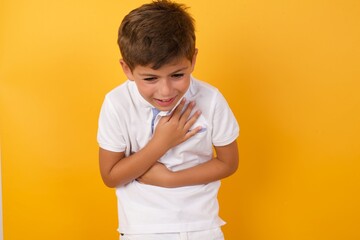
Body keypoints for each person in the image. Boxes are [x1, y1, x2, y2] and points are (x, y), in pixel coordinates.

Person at [97, 0, 239, 239]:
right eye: (150, 79)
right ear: (127, 69)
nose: (165, 91)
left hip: (202, 227)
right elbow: (110, 176)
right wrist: (160, 143)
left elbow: (228, 163)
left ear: (192, 60)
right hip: (141, 230)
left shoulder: (210, 99)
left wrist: (172, 180)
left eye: (177, 75)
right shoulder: (117, 103)